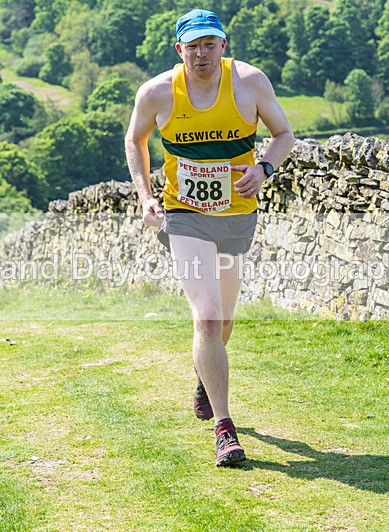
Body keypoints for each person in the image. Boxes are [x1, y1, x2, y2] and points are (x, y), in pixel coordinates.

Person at [124, 8, 294, 467]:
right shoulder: (158, 93)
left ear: (224, 46)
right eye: (192, 46)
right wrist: (145, 197)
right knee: (207, 316)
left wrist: (263, 169)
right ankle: (225, 429)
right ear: (180, 51)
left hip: (238, 213)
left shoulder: (250, 83)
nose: (201, 54)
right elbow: (135, 140)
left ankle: (205, 374)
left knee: (225, 320)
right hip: (185, 214)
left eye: (209, 44)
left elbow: (283, 134)